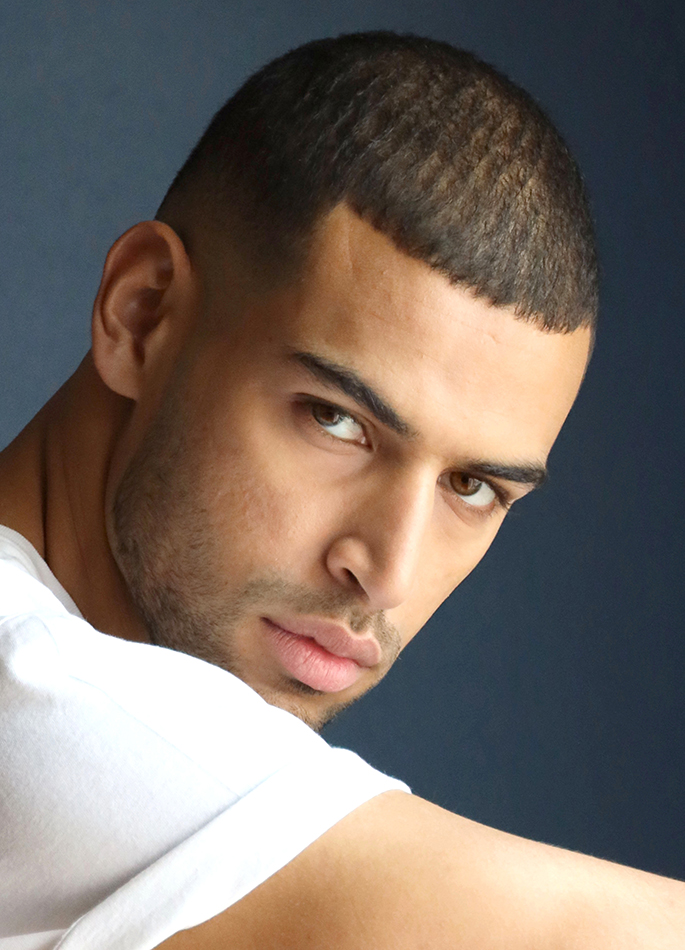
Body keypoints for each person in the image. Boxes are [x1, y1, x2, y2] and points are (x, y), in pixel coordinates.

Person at [0, 30, 682, 949]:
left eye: (472, 486)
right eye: (336, 421)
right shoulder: (32, 691)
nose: (387, 573)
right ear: (142, 312)